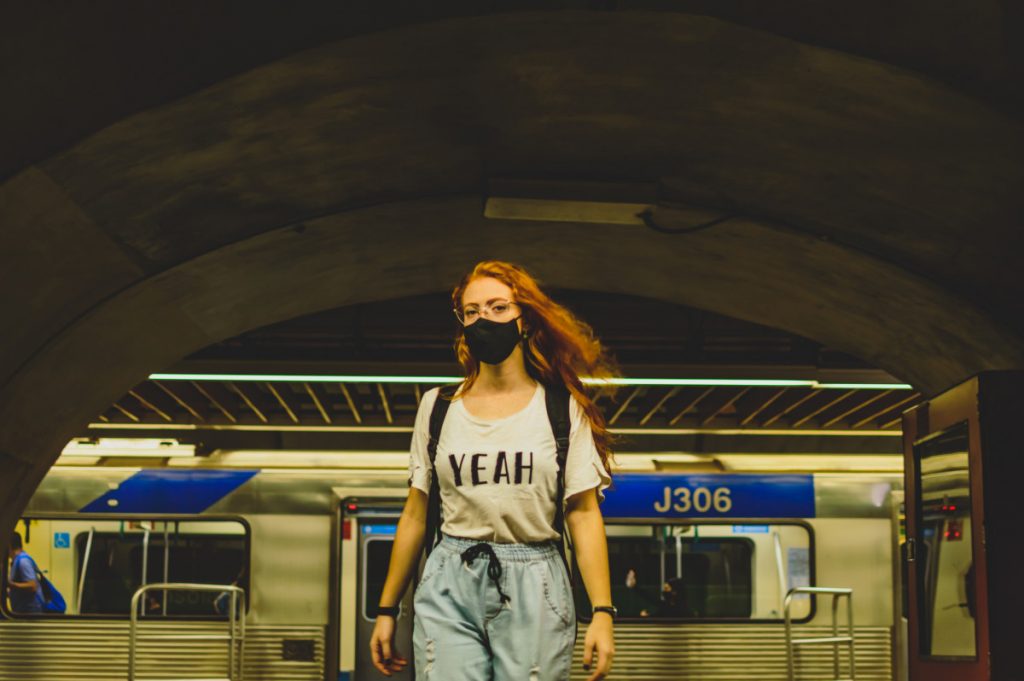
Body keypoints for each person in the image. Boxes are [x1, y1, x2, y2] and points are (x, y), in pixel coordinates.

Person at [370, 261, 618, 681]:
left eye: (498, 308)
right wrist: (386, 609)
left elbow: (583, 513)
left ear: (525, 321)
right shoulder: (438, 407)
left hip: (536, 579)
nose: (484, 319)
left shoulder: (559, 409)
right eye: (472, 312)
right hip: (449, 576)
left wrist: (602, 612)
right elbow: (415, 513)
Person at [7, 532, 45, 614]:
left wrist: (10, 584)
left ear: (9, 545)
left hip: (30, 612)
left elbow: (32, 586)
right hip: (23, 610)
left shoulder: (23, 561)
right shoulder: (16, 561)